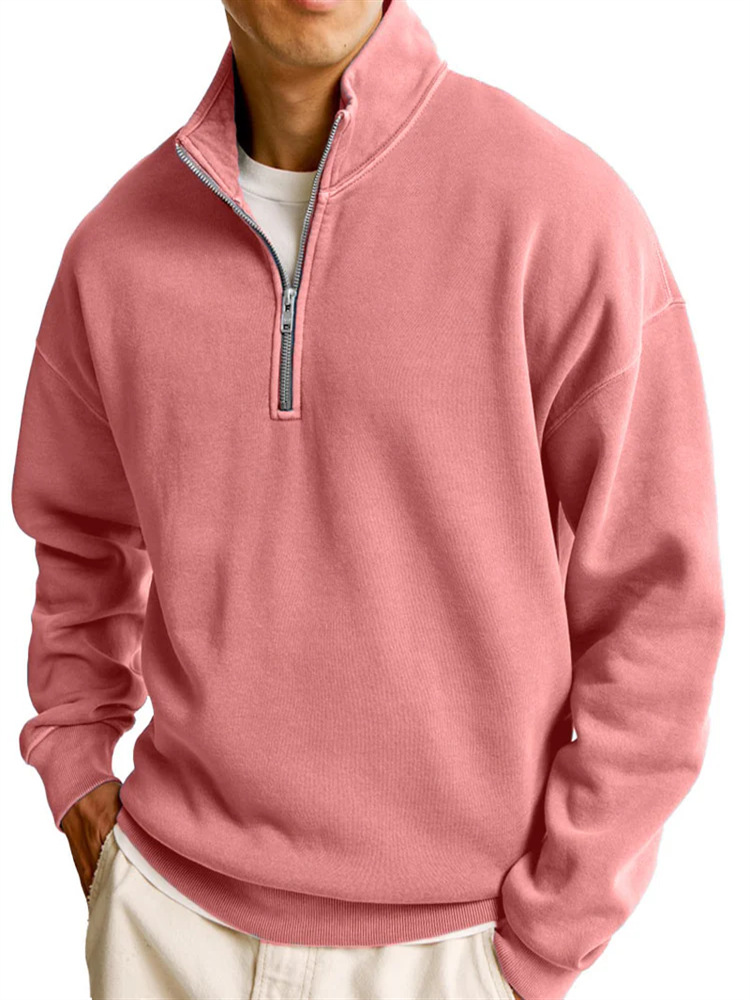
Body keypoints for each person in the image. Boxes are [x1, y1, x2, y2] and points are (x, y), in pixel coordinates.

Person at [11, 0, 724, 998]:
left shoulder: (560, 214)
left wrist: (548, 932)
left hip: (454, 948)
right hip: (168, 928)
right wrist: (77, 766)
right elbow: (80, 538)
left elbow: (659, 602)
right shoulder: (113, 252)